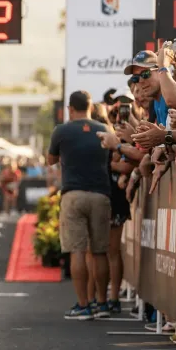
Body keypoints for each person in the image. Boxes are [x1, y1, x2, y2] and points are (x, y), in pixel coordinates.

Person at [48, 91, 112, 321]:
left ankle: (84, 305)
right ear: (90, 107)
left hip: (73, 194)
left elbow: (50, 160)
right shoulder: (104, 129)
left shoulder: (62, 131)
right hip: (100, 194)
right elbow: (113, 158)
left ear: (69, 108)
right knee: (100, 251)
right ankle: (103, 303)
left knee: (77, 250)